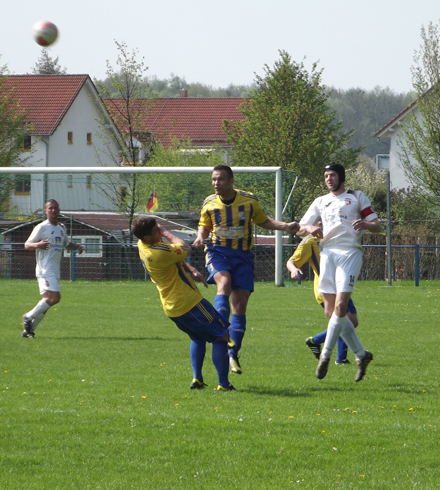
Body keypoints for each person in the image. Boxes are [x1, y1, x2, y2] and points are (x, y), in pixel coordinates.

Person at [192, 164, 299, 375]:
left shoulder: (249, 201)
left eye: (220, 179)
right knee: (223, 283)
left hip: (243, 256)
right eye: (214, 179)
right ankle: (220, 328)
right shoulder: (209, 203)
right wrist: (199, 237)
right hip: (218, 251)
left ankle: (233, 353)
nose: (216, 183)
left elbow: (264, 221)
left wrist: (285, 226)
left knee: (240, 306)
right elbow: (204, 225)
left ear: (231, 181)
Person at [297, 163, 381, 382]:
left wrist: (366, 224)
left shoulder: (357, 197)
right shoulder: (320, 201)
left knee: (341, 307)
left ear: (341, 177)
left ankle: (325, 356)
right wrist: (310, 228)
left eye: (332, 175)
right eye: (325, 176)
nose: (328, 179)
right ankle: (362, 355)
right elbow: (300, 227)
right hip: (327, 254)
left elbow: (377, 225)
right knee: (331, 313)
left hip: (350, 253)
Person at [133, 215, 235, 391]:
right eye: (155, 231)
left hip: (172, 307)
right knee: (221, 335)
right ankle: (224, 385)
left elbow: (173, 256)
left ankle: (197, 379)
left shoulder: (143, 245)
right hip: (189, 302)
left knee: (197, 336)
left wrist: (192, 269)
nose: (159, 232)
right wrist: (166, 233)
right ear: (147, 237)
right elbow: (185, 248)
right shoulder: (158, 252)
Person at [286, 228, 359, 365]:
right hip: (325, 289)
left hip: (341, 285)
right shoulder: (310, 242)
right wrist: (294, 269)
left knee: (352, 322)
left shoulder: (336, 234)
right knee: (344, 320)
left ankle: (315, 341)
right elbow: (291, 261)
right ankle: (341, 359)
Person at [21, 200, 83, 338]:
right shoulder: (41, 227)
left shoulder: (61, 228)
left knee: (47, 302)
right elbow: (27, 245)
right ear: (46, 211)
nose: (53, 210)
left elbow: (66, 243)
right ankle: (28, 316)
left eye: (55, 208)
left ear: (59, 210)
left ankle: (28, 331)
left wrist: (77, 246)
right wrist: (38, 245)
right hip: (45, 269)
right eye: (50, 208)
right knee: (55, 297)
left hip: (55, 270)